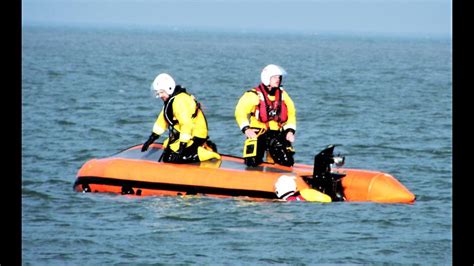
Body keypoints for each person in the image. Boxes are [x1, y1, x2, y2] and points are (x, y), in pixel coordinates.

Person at [141, 73, 220, 163]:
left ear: (169, 89)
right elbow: (162, 121)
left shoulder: (180, 102)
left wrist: (182, 146)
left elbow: (186, 125)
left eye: (162, 92)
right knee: (168, 152)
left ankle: (208, 152)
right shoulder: (171, 100)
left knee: (171, 158)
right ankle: (196, 147)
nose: (160, 96)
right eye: (158, 93)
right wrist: (151, 139)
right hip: (186, 134)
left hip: (196, 135)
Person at [235, 64, 296, 167]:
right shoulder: (253, 95)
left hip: (276, 134)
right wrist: (246, 129)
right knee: (252, 162)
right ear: (267, 78)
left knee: (286, 162)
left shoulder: (283, 95)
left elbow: (291, 114)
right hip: (258, 133)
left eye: (279, 77)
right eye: (275, 77)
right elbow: (240, 112)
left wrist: (290, 131)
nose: (278, 79)